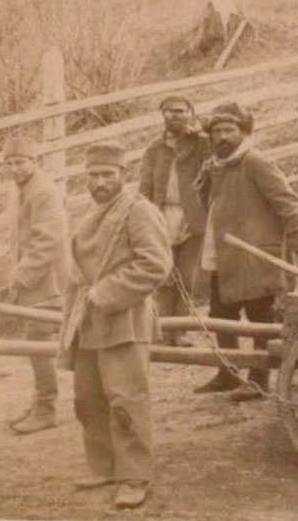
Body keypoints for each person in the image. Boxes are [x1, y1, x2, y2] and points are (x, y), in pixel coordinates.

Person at [56, 141, 171, 509]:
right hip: (87, 321)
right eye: (94, 175)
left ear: (124, 175)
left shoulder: (138, 211)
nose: (100, 181)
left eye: (108, 174)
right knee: (89, 398)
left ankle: (134, 476)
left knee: (126, 400)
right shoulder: (91, 213)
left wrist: (105, 292)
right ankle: (104, 466)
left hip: (123, 319)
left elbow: (155, 265)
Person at [193, 101, 298, 402]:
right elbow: (210, 205)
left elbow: (290, 205)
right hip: (223, 253)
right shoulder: (217, 165)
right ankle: (227, 373)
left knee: (261, 318)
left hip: (255, 256)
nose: (222, 137)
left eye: (229, 130)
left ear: (243, 131)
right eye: (216, 131)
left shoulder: (255, 161)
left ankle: (259, 379)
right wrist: (204, 182)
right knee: (221, 313)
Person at [1, 136, 69, 434]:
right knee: (35, 340)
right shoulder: (20, 190)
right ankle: (41, 401)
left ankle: (46, 407)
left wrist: (20, 276)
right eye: (10, 163)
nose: (15, 168)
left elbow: (47, 240)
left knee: (36, 338)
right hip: (33, 276)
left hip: (48, 278)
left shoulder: (43, 191)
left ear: (34, 161)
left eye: (21, 162)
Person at [138, 95, 211, 347]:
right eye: (168, 112)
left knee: (186, 276)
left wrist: (201, 132)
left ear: (191, 113)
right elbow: (145, 186)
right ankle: (159, 329)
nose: (174, 116)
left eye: (180, 111)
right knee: (162, 275)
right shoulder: (154, 149)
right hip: (161, 216)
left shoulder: (202, 144)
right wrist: (146, 215)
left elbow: (214, 164)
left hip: (191, 216)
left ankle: (181, 331)